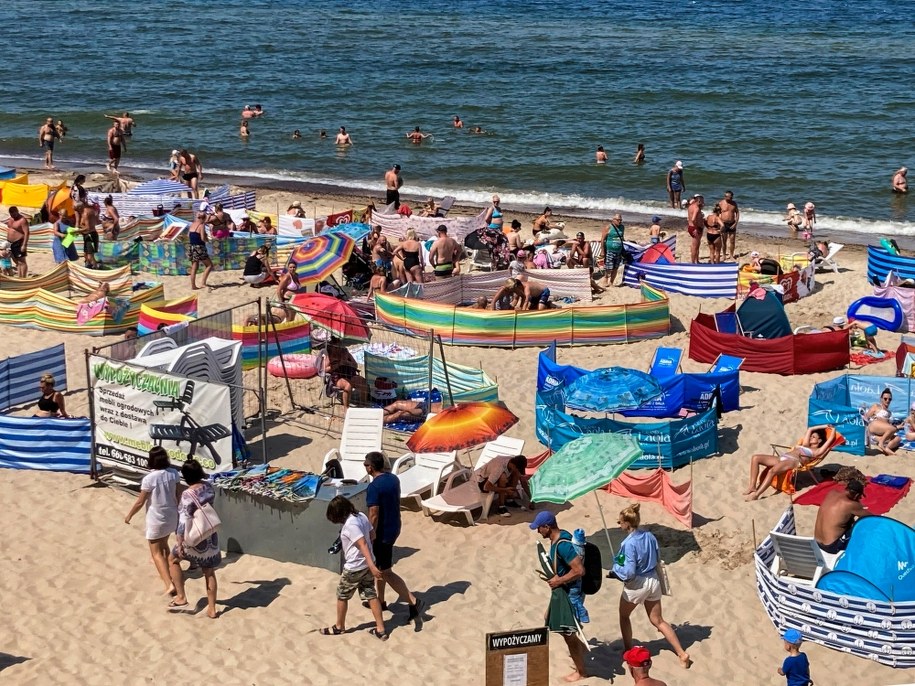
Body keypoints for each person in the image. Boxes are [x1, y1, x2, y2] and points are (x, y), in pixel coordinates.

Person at [612, 503, 692, 669]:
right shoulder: (649, 536)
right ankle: (681, 653)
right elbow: (656, 557)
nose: (619, 525)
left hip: (638, 583)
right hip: (653, 580)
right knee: (658, 620)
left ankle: (628, 651)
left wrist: (616, 568)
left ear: (627, 523)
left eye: (620, 522)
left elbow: (629, 572)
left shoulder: (628, 543)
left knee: (623, 616)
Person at [363, 451, 424, 623]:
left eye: (366, 465)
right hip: (394, 527)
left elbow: (373, 513)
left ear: (371, 467)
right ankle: (381, 601)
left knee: (386, 572)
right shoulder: (393, 479)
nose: (365, 467)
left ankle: (413, 601)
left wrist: (369, 533)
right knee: (380, 567)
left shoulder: (374, 487)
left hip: (382, 533)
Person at [531, 510, 588, 682]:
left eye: (539, 528)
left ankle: (581, 672)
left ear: (547, 526)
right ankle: (580, 650)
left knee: (567, 632)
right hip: (562, 589)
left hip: (570, 591)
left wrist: (559, 580)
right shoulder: (559, 538)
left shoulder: (563, 545)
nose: (537, 531)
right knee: (549, 617)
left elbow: (579, 570)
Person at [322, 495, 387, 639]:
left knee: (342, 595)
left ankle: (339, 626)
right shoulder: (361, 515)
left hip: (354, 567)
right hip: (366, 565)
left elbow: (362, 543)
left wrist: (371, 565)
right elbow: (372, 535)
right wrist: (370, 563)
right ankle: (381, 628)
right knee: (370, 594)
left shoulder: (350, 525)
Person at [167, 459, 220, 618]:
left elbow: (183, 520)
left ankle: (181, 597)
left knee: (173, 560)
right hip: (209, 534)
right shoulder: (208, 488)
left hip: (194, 537)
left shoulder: (187, 494)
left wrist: (179, 542)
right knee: (209, 572)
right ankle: (212, 608)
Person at [124, 446, 180, 595]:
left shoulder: (149, 478)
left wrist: (129, 515)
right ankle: (172, 573)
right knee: (164, 545)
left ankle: (169, 583)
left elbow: (140, 502)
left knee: (155, 553)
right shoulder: (173, 473)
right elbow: (178, 493)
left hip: (157, 518)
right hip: (171, 515)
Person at [744, 425, 833, 501]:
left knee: (772, 471)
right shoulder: (805, 444)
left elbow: (830, 440)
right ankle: (752, 486)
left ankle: (756, 495)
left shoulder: (817, 451)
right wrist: (825, 426)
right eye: (811, 436)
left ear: (820, 440)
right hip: (782, 458)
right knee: (755, 458)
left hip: (793, 462)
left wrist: (833, 430)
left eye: (813, 437)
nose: (810, 438)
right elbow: (810, 429)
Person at [814, 478, 872, 558]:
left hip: (816, 543)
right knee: (862, 525)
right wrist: (858, 504)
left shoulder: (831, 493)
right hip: (831, 546)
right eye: (860, 497)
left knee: (846, 519)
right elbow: (870, 518)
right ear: (856, 495)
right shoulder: (851, 504)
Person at [327, 337, 367, 412]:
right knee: (348, 385)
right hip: (338, 377)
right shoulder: (329, 354)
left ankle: (363, 403)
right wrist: (337, 365)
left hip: (350, 374)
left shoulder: (345, 352)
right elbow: (324, 368)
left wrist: (347, 362)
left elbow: (355, 364)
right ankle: (346, 407)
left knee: (362, 381)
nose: (339, 348)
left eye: (340, 346)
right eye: (336, 347)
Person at [863, 387, 903, 454]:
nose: (887, 400)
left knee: (898, 439)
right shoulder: (876, 406)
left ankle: (886, 448)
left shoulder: (889, 413)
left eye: (889, 399)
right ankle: (881, 443)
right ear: (881, 399)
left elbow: (888, 427)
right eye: (885, 399)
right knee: (893, 429)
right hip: (873, 426)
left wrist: (898, 427)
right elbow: (865, 418)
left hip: (880, 434)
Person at [187, 212, 213, 290]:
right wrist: (207, 240)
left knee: (194, 267)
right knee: (209, 265)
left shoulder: (192, 224)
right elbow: (202, 238)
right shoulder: (201, 225)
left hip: (192, 247)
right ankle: (203, 283)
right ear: (203, 218)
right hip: (199, 247)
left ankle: (193, 286)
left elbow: (188, 235)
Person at [600, 213, 626, 287]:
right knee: (609, 267)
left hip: (619, 251)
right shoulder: (608, 227)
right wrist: (602, 250)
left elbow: (622, 237)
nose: (620, 221)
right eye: (618, 220)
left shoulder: (622, 227)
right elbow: (602, 239)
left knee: (616, 267)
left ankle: (611, 282)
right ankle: (605, 279)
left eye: (621, 220)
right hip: (610, 250)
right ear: (613, 220)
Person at [4, 206, 30, 277]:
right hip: (10, 243)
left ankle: (23, 278)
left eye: (14, 214)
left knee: (22, 261)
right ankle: (20, 276)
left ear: (17, 211)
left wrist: (24, 245)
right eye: (11, 214)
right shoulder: (10, 219)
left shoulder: (22, 220)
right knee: (16, 261)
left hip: (19, 242)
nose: (13, 215)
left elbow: (27, 233)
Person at [78, 201, 101, 268]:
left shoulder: (85, 213)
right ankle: (89, 265)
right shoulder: (90, 210)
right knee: (85, 253)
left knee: (90, 255)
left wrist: (78, 231)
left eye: (76, 209)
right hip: (89, 235)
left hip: (90, 235)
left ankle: (95, 267)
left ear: (80, 207)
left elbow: (88, 228)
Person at [719, 190, 740, 261]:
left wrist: (735, 223)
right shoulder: (721, 203)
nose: (729, 199)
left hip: (732, 223)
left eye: (731, 197)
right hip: (723, 224)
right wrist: (719, 223)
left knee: (732, 241)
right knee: (723, 240)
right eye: (728, 197)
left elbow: (737, 213)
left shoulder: (734, 204)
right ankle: (724, 255)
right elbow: (717, 213)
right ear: (725, 196)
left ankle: (731, 255)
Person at [687, 194, 705, 263]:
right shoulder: (696, 208)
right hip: (695, 228)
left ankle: (696, 260)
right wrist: (697, 228)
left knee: (696, 245)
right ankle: (693, 262)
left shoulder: (691, 206)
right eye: (702, 201)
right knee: (695, 246)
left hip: (691, 227)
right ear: (699, 201)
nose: (703, 202)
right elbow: (693, 219)